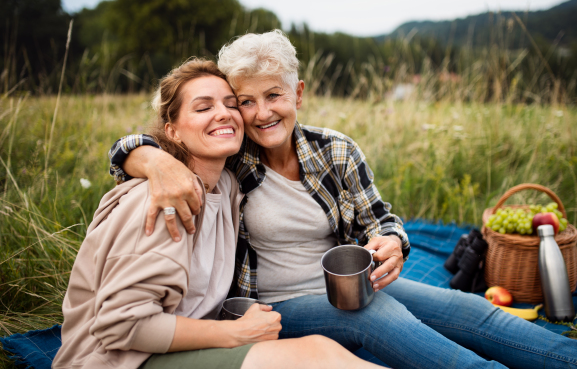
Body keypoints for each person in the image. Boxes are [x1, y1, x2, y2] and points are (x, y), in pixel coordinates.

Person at [108, 31, 577, 369]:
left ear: (298, 92)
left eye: (274, 95)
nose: (260, 114)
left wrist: (391, 242)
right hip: (277, 303)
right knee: (380, 319)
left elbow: (380, 220)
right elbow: (134, 147)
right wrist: (152, 161)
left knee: (468, 311)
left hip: (351, 285)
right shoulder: (232, 155)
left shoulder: (335, 150)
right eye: (246, 100)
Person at [53, 58, 384, 369]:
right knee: (316, 355)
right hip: (123, 359)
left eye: (231, 103)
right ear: (172, 131)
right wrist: (234, 335)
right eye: (203, 107)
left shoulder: (226, 184)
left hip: (188, 343)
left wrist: (149, 157)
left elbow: (129, 147)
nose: (224, 114)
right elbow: (121, 325)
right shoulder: (164, 199)